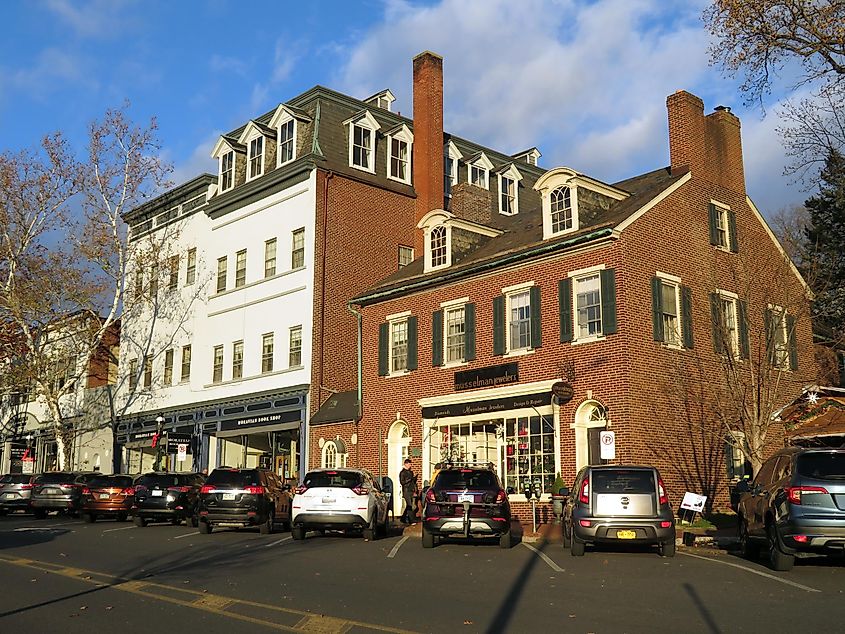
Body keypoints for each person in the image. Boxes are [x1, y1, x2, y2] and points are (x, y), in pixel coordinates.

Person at [399, 458, 418, 525]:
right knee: (409, 505)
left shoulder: (411, 472)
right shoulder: (402, 473)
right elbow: (402, 482)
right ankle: (411, 520)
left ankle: (403, 518)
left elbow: (413, 482)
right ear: (405, 464)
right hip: (406, 491)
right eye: (409, 464)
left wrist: (414, 478)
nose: (410, 465)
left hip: (411, 490)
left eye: (410, 464)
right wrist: (409, 479)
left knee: (410, 506)